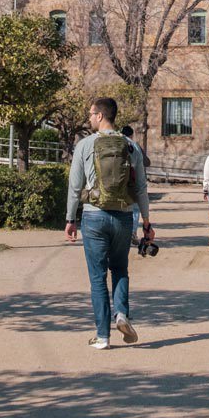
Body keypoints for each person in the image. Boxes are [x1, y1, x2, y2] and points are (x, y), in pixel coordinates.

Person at [65, 97, 150, 349]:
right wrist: (146, 221)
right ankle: (121, 313)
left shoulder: (85, 145)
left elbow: (75, 185)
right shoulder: (131, 146)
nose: (89, 117)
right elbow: (142, 188)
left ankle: (102, 336)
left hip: (93, 216)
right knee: (120, 269)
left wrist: (71, 218)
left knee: (97, 277)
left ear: (100, 116)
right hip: (123, 215)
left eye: (91, 113)